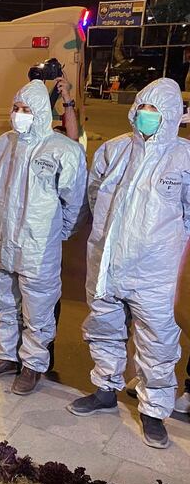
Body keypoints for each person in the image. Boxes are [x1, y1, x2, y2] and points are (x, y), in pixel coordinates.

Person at [68, 78, 190, 449]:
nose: (147, 116)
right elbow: (95, 196)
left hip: (158, 269)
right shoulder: (113, 151)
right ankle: (105, 388)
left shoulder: (183, 157)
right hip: (107, 261)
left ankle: (154, 412)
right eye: (143, 109)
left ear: (170, 116)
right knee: (103, 326)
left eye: (156, 111)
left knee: (157, 340)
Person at [0, 79, 87, 395]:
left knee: (37, 311)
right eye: (16, 108)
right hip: (3, 241)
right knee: (4, 305)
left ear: (40, 112)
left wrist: (59, 232)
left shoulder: (63, 150)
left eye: (26, 109)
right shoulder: (3, 144)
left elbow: (75, 200)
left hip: (37, 245)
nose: (19, 114)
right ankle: (7, 358)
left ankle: (33, 366)